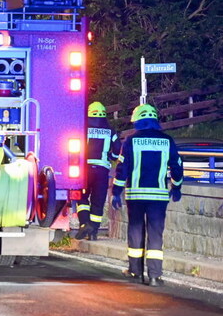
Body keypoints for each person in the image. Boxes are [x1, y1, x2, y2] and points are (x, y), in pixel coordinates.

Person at [111, 103, 184, 286]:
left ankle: (135, 272)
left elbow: (122, 169)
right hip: (158, 197)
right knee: (155, 234)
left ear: (138, 121)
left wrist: (116, 192)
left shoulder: (130, 141)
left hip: (135, 196)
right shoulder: (167, 140)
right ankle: (154, 276)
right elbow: (177, 166)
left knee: (136, 231)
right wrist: (176, 187)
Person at [76, 102, 120, 240]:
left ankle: (84, 224)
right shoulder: (110, 130)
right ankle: (93, 232)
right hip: (102, 170)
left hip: (84, 170)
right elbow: (118, 148)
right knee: (98, 201)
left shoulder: (82, 129)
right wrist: (111, 157)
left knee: (81, 197)